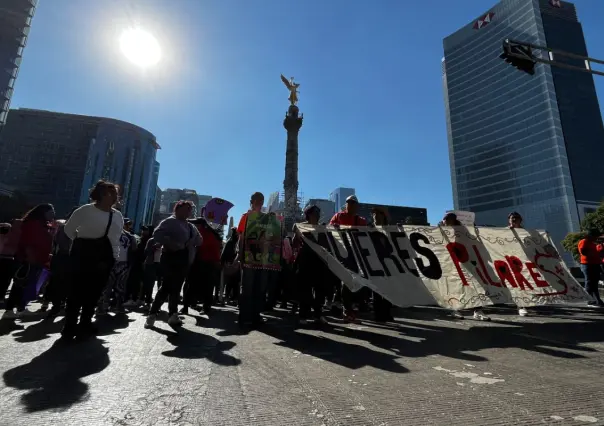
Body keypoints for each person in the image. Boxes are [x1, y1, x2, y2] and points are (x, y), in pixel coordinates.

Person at [61, 180, 124, 340]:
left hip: (105, 257)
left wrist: (114, 257)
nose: (114, 196)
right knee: (76, 292)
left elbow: (116, 238)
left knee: (94, 293)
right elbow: (68, 230)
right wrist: (81, 242)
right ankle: (69, 326)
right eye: (110, 193)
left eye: (116, 193)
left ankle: (85, 324)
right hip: (83, 254)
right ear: (100, 194)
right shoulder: (85, 210)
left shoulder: (117, 216)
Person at [145, 201, 202, 329]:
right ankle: (152, 314)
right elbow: (157, 234)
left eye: (190, 209)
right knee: (166, 287)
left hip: (184, 260)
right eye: (187, 209)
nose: (189, 211)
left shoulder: (191, 226)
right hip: (171, 257)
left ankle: (172, 315)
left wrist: (191, 242)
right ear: (178, 209)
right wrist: (172, 243)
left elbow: (200, 240)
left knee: (176, 288)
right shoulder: (169, 221)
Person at [4, 204, 55, 318]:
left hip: (37, 259)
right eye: (50, 211)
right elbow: (28, 242)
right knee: (20, 284)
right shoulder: (33, 224)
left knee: (27, 285)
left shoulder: (43, 225)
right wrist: (30, 257)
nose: (53, 214)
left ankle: (21, 308)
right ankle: (9, 310)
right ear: (43, 212)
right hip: (28, 259)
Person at [441, 212, 490, 322]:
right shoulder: (438, 231)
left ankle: (477, 310)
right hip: (449, 264)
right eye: (444, 219)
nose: (445, 221)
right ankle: (455, 309)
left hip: (465, 262)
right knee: (455, 286)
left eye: (447, 219)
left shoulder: (463, 230)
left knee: (473, 285)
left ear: (453, 220)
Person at [329, 195, 367, 323]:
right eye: (349, 203)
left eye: (353, 203)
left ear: (357, 206)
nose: (350, 205)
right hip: (342, 255)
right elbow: (330, 229)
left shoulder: (361, 220)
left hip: (356, 256)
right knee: (346, 281)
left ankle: (350, 308)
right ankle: (346, 309)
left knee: (356, 283)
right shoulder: (338, 216)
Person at [237, 192, 270, 328]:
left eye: (261, 200)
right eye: (257, 200)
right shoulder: (246, 217)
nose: (259, 202)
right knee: (248, 287)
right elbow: (241, 237)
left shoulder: (266, 218)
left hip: (262, 258)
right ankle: (244, 315)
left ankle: (256, 315)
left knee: (259, 287)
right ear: (252, 201)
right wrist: (240, 255)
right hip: (249, 256)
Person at [296, 205, 328, 325]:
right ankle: (303, 315)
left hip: (319, 261)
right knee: (305, 289)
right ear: (309, 215)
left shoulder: (322, 228)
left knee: (320, 289)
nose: (318, 216)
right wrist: (297, 232)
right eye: (315, 213)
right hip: (305, 261)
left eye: (318, 213)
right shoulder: (302, 227)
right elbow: (295, 242)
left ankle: (318, 314)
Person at [182, 216, 221, 316]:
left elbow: (199, 245)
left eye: (195, 224)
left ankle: (190, 306)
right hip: (206, 263)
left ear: (200, 225)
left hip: (204, 262)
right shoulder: (211, 233)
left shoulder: (203, 233)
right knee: (203, 286)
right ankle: (195, 306)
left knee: (193, 285)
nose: (193, 225)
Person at [97, 219, 137, 314]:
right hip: (111, 263)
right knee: (107, 286)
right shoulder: (108, 234)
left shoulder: (130, 236)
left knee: (119, 286)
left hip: (123, 264)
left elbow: (134, 249)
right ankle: (102, 306)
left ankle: (117, 305)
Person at [371, 206, 394, 322]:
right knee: (376, 289)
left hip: (388, 263)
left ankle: (387, 312)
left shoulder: (390, 230)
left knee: (389, 289)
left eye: (378, 214)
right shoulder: (369, 229)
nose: (375, 216)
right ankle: (378, 313)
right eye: (374, 215)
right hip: (374, 263)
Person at [508, 211, 531, 317]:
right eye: (512, 218)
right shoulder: (504, 232)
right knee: (517, 284)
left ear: (520, 220)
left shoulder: (526, 232)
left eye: (516, 218)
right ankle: (521, 305)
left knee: (524, 284)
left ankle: (523, 305)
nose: (513, 220)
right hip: (510, 262)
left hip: (525, 261)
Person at [578, 229, 604, 307]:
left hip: (594, 264)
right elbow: (584, 252)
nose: (596, 238)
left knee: (594, 283)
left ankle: (596, 300)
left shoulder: (592, 244)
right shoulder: (584, 241)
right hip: (588, 264)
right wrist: (595, 254)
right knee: (590, 282)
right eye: (595, 236)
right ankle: (590, 300)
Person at [141, 226, 161, 309]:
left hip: (161, 264)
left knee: (161, 284)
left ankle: (158, 303)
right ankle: (148, 301)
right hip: (151, 264)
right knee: (149, 283)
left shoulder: (167, 241)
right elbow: (146, 252)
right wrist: (154, 247)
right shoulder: (151, 240)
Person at [220, 228, 239, 304]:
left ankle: (231, 298)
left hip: (234, 265)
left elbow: (224, 254)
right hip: (231, 265)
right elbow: (224, 254)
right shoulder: (231, 242)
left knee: (233, 283)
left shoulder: (233, 242)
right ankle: (229, 297)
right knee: (231, 282)